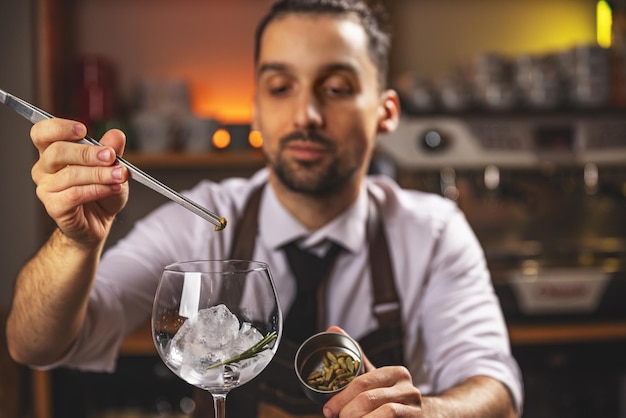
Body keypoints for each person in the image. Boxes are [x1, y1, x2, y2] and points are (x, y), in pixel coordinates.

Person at [6, 0, 523, 416]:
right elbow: (34, 346)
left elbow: (495, 388)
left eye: (337, 88)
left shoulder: (431, 230)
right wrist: (75, 242)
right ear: (256, 106)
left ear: (386, 112)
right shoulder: (200, 218)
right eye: (281, 87)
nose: (307, 114)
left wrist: (428, 413)